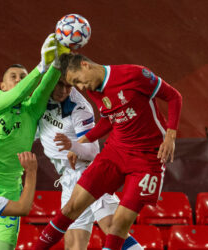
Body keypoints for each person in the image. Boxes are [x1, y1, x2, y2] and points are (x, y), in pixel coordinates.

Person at [35, 53, 182, 250]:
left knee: (117, 225)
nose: (80, 87)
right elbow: (109, 118)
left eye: (77, 81)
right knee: (71, 208)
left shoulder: (134, 74)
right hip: (115, 152)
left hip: (147, 158)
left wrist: (171, 135)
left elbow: (174, 96)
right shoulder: (94, 90)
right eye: (74, 84)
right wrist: (82, 140)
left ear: (85, 65)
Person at [0, 34, 70, 250]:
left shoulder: (31, 111)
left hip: (10, 193)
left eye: (22, 76)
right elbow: (18, 92)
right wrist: (40, 67)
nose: (18, 79)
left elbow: (43, 89)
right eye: (13, 76)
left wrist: (57, 62)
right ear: (3, 85)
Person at [37, 79, 143, 250]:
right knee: (74, 245)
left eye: (69, 85)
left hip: (90, 172)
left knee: (112, 228)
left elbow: (92, 151)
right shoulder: (39, 100)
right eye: (59, 84)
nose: (64, 90)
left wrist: (72, 145)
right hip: (69, 178)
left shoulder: (79, 107)